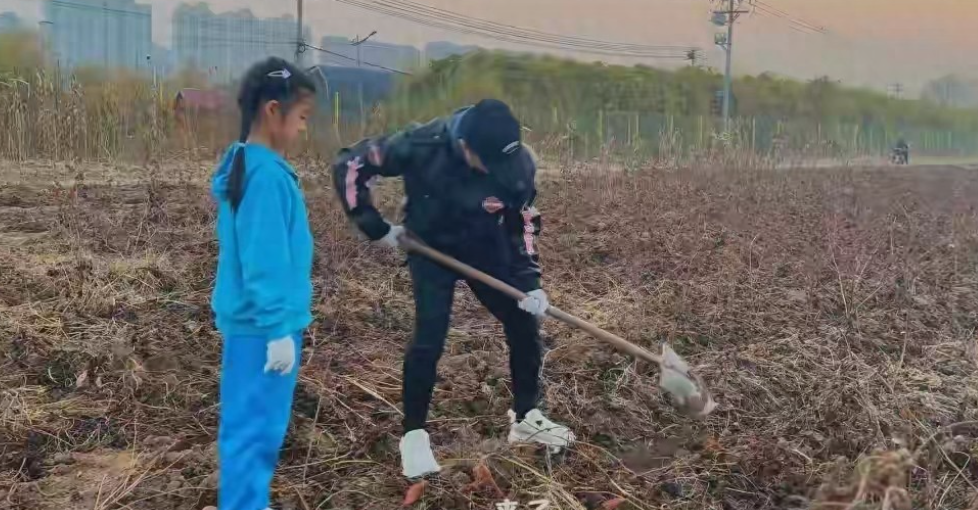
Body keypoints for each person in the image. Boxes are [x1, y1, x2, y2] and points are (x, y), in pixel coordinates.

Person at [331, 99, 575, 480]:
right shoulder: (421, 144)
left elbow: (523, 221)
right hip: (430, 248)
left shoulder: (517, 163)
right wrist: (374, 226)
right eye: (487, 164)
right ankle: (413, 436)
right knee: (430, 336)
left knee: (523, 322)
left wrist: (530, 283)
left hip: (484, 249)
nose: (496, 173)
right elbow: (351, 163)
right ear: (465, 147)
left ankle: (526, 417)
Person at [210, 57, 317, 510]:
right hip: (263, 330)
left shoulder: (244, 163)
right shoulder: (266, 176)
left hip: (253, 327)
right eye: (302, 119)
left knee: (248, 430)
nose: (304, 129)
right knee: (255, 434)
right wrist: (278, 330)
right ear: (273, 111)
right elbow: (265, 259)